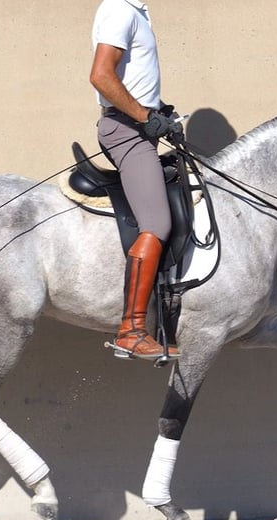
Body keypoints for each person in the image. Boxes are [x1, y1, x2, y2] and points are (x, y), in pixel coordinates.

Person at [90, 0, 180, 361]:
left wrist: (158, 110)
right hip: (127, 131)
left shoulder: (136, 10)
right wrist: (145, 115)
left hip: (139, 127)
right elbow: (101, 75)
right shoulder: (120, 9)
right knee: (157, 223)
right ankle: (131, 329)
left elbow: (132, 78)